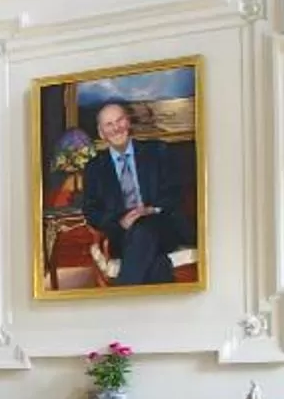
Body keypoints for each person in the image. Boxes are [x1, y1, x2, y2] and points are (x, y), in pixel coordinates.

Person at [78, 98, 197, 286]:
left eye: (120, 121)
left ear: (128, 122)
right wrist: (122, 222)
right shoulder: (94, 168)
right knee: (156, 264)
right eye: (109, 125)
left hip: (163, 227)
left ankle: (122, 296)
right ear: (101, 133)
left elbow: (174, 191)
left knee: (144, 230)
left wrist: (150, 210)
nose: (116, 128)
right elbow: (91, 211)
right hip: (123, 236)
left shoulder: (157, 151)